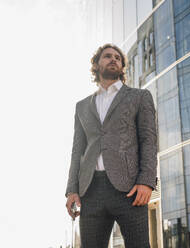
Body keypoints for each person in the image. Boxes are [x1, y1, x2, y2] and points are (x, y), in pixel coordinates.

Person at [65, 43, 157, 248]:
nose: (113, 59)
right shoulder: (81, 106)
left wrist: (147, 181)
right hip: (90, 190)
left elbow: (149, 141)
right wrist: (72, 189)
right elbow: (76, 151)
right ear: (97, 65)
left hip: (130, 190)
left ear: (122, 67)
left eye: (118, 57)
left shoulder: (140, 97)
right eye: (107, 56)